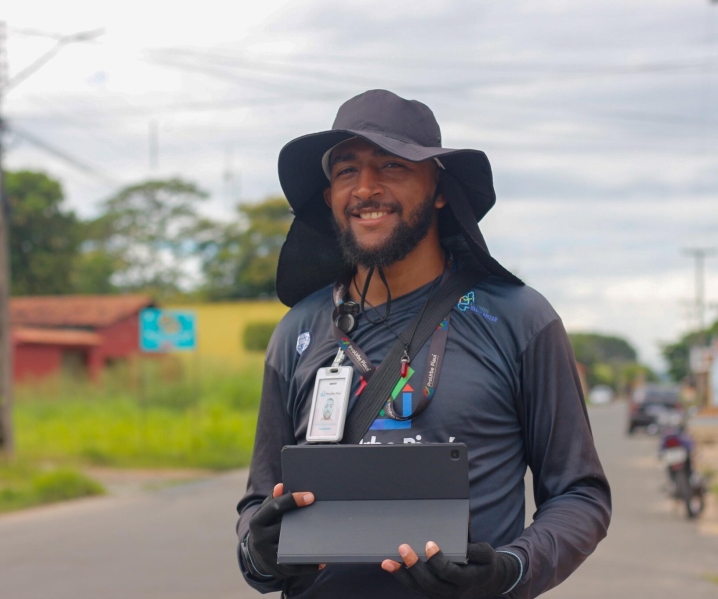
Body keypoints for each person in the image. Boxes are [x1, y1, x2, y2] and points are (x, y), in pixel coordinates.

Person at [236, 89, 611, 598]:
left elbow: (580, 494)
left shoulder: (519, 320)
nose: (366, 187)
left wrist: (509, 569)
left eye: (392, 165)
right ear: (329, 197)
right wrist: (259, 553)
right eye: (346, 171)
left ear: (439, 189)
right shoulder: (296, 333)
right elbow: (259, 502)